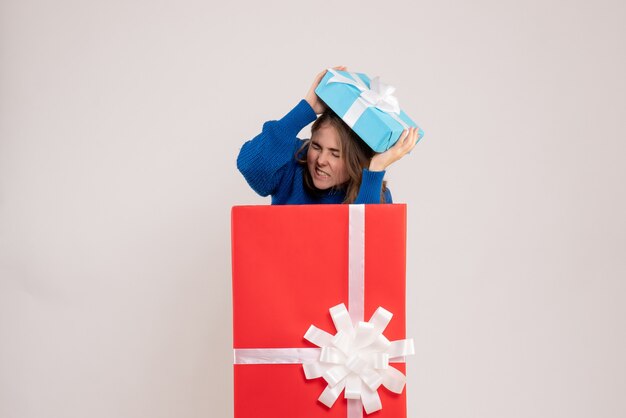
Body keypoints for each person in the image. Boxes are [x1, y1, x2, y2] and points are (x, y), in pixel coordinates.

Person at [237, 67, 419, 204]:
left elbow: (369, 247)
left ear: (356, 159)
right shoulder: (293, 161)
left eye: (335, 153)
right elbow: (250, 165)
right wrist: (305, 109)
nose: (321, 160)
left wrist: (375, 170)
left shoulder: (372, 187)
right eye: (316, 146)